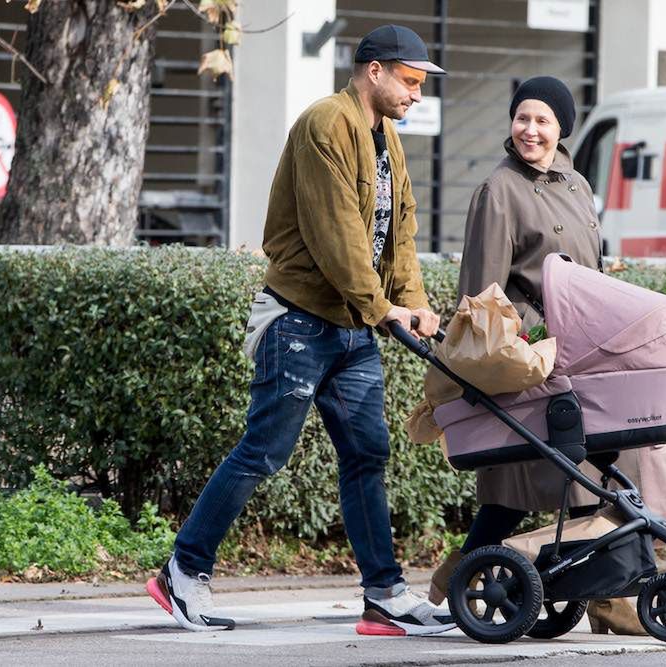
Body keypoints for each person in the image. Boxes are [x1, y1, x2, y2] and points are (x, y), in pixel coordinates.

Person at [147, 24, 456, 638]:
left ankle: (384, 596)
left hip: (352, 328)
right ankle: (182, 572)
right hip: (299, 322)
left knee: (368, 454)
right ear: (375, 71)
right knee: (263, 453)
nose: (417, 93)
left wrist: (413, 301)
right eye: (411, 80)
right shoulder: (325, 124)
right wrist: (384, 308)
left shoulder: (387, 137)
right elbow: (335, 236)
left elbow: (402, 235)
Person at [427, 76, 646, 635]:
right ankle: (604, 599)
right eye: (522, 118)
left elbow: (590, 275)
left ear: (562, 129)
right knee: (550, 478)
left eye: (542, 120)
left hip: (579, 351)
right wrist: (520, 341)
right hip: (528, 357)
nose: (529, 129)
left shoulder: (576, 184)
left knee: (562, 477)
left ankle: (462, 574)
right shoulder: (499, 191)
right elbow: (480, 294)